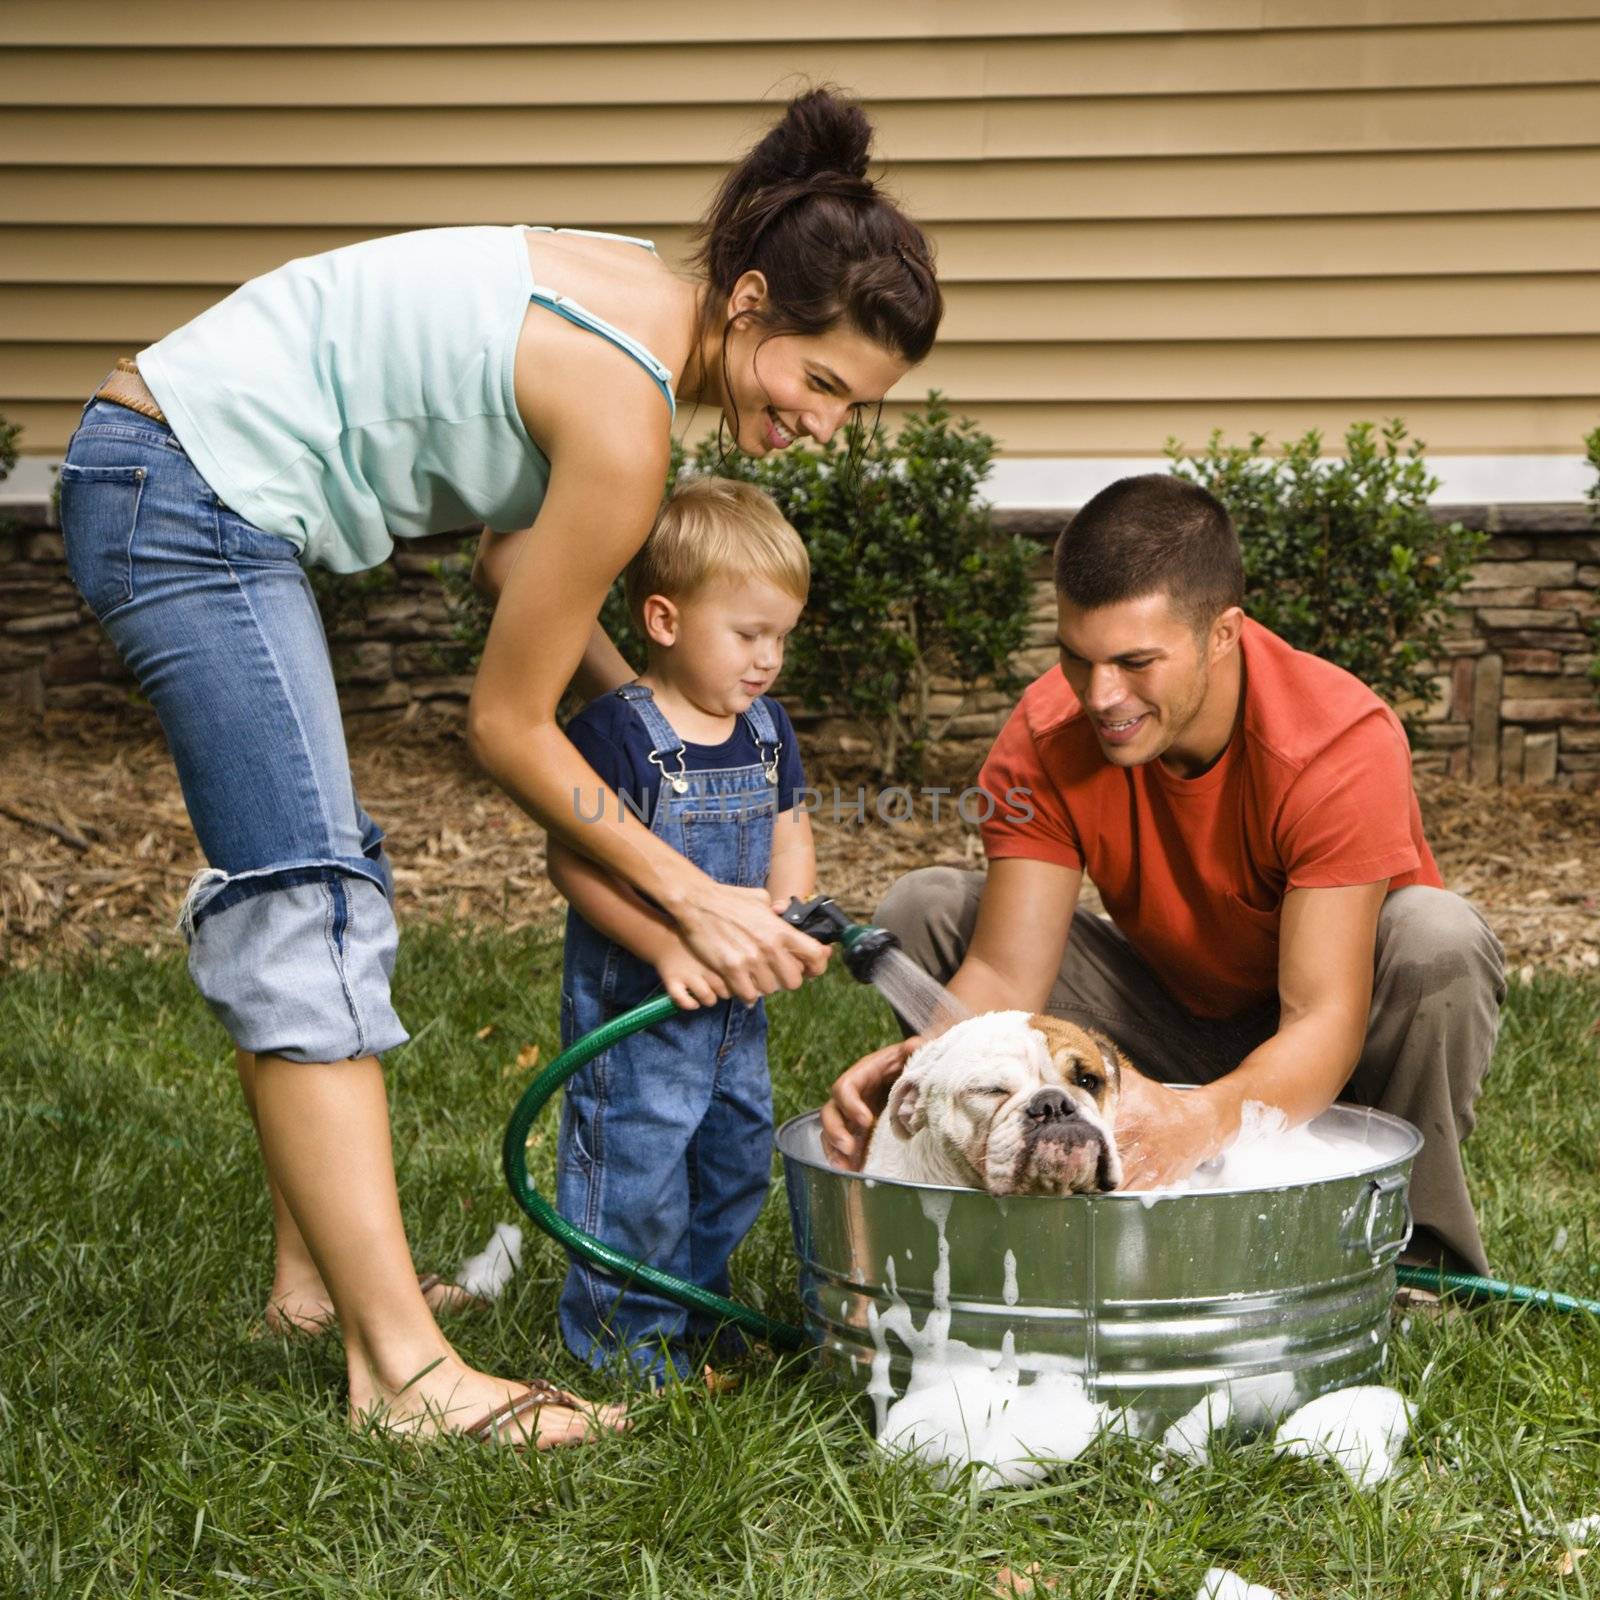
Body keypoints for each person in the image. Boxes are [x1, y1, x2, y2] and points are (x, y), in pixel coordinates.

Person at [56, 86, 942, 1446]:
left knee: (324, 866)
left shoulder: (636, 289)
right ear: (754, 301)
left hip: (169, 470)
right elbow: (503, 726)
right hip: (180, 494)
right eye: (819, 380)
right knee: (305, 892)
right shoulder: (627, 410)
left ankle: (312, 1295)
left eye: (855, 407)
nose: (825, 422)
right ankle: (406, 1379)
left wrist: (644, 710)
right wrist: (692, 896)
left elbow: (518, 564)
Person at [821, 474, 1505, 1276]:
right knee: (929, 905)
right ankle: (1000, 1218)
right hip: (1164, 1021)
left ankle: (1410, 1256)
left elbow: (1323, 1017)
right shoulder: (1048, 734)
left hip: (1336, 1047)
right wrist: (923, 1064)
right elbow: (1006, 972)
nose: (1101, 696)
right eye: (1078, 659)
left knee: (1437, 936)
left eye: (1135, 662)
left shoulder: (1334, 741)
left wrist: (1202, 1120)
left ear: (1223, 634)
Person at [548, 477, 814, 1381]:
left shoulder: (766, 729)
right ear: (663, 620)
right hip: (643, 1009)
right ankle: (626, 1343)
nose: (768, 659)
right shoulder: (617, 734)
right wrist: (665, 944)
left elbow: (789, 827)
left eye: (780, 636)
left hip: (734, 1014)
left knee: (734, 1161)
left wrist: (793, 910)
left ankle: (695, 1311)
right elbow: (574, 864)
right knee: (638, 1172)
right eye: (748, 635)